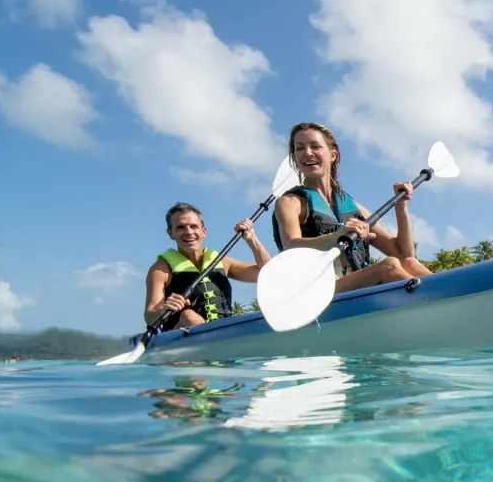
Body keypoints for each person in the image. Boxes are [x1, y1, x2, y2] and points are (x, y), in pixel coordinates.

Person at [272, 122, 431, 292]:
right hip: (317, 291)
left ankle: (447, 292)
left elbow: (404, 254)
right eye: (299, 148)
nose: (307, 153)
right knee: (389, 266)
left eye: (315, 146)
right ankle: (437, 298)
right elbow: (291, 246)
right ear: (295, 158)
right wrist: (336, 236)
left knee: (409, 263)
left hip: (354, 288)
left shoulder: (354, 208)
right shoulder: (290, 202)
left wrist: (401, 207)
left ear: (332, 155)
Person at [143, 202, 271, 330]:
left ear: (203, 231)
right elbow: (150, 317)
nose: (189, 232)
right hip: (182, 336)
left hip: (225, 333)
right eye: (181, 227)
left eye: (194, 226)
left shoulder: (222, 261)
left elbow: (269, 273)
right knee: (189, 316)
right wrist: (164, 309)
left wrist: (252, 239)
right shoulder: (160, 270)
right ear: (170, 233)